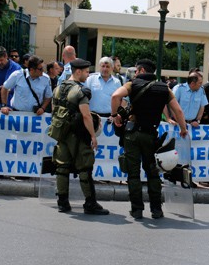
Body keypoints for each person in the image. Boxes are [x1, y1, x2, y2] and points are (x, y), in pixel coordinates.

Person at [111, 59, 188, 220]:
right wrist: (183, 129)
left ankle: (137, 210)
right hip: (150, 134)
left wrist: (115, 115)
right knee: (152, 173)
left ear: (141, 70)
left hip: (132, 134)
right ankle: (156, 210)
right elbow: (178, 111)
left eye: (137, 71)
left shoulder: (132, 85)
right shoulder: (164, 88)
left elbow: (115, 96)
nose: (136, 73)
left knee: (133, 174)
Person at [51, 58, 109, 215]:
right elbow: (86, 116)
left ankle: (62, 202)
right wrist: (93, 136)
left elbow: (54, 111)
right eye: (86, 71)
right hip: (77, 134)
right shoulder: (79, 91)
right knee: (85, 168)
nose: (87, 74)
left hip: (61, 133)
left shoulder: (58, 88)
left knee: (62, 167)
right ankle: (90, 203)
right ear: (78, 72)